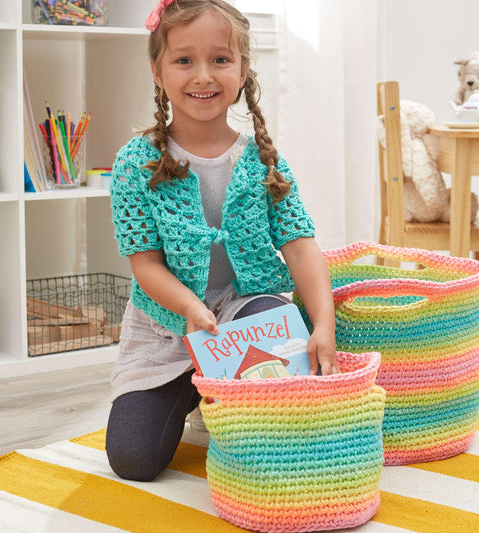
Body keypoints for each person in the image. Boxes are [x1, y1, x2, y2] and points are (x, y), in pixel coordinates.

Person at [105, 0, 337, 482]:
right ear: (157, 70)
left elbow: (300, 245)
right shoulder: (136, 163)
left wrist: (323, 325)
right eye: (184, 60)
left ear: (243, 69)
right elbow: (145, 264)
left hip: (243, 307)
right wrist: (191, 309)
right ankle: (196, 390)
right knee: (133, 460)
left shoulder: (261, 160)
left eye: (221, 59)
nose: (203, 76)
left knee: (270, 319)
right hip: (167, 323)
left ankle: (232, 392)